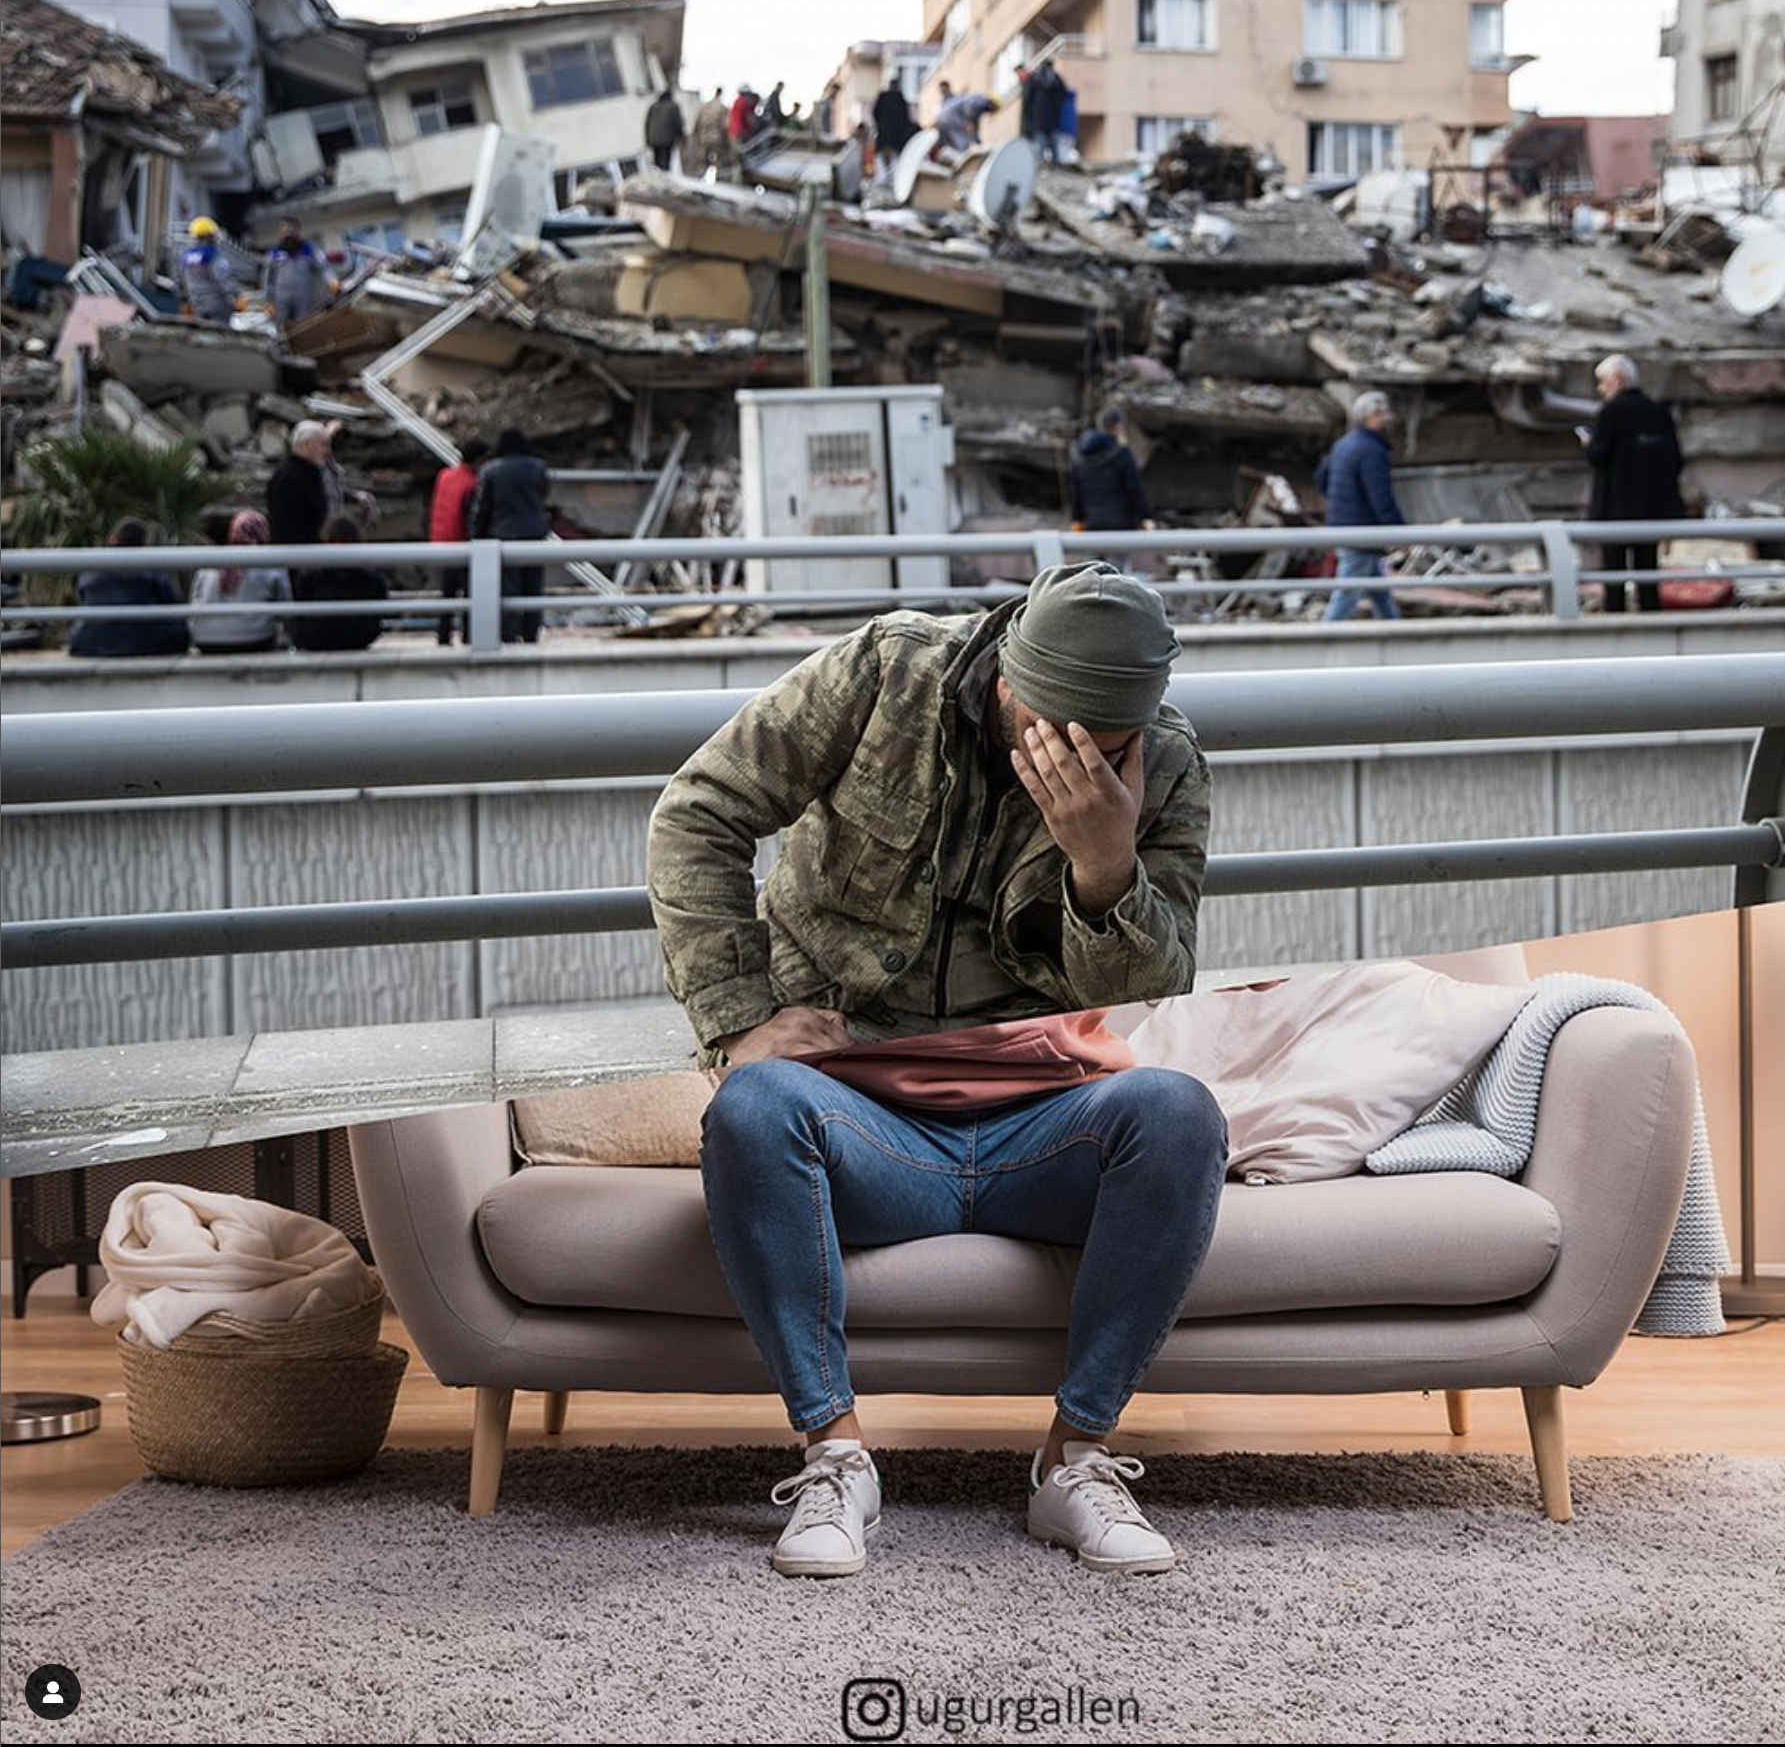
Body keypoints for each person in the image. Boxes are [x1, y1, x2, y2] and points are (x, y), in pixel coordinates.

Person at [648, 561, 1223, 1581]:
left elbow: (1162, 977)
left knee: (1177, 1111)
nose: (1075, 762)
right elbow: (698, 811)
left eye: (1107, 747)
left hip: (1039, 1121)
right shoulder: (884, 675)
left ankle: (1076, 1459)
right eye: (1051, 733)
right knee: (753, 1105)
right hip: (857, 1115)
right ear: (1006, 677)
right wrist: (738, 1022)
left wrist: (1102, 861)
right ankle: (836, 1458)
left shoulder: (1166, 760)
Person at [1581, 353, 1684, 614]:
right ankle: (1650, 615)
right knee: (1647, 567)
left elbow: (1599, 456)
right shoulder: (1659, 412)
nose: (1601, 389)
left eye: (1603, 382)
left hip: (1615, 510)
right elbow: (1675, 460)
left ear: (1617, 381)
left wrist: (1588, 444)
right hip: (1651, 507)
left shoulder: (1611, 412)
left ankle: (1616, 617)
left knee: (1614, 572)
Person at [1316, 390, 1406, 621]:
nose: (1388, 418)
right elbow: (1381, 497)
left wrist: (1341, 505)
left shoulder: (1343, 444)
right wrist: (1399, 531)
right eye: (1381, 413)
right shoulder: (1372, 450)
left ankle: (1395, 632)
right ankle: (1323, 640)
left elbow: (1321, 479)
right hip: (1361, 530)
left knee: (1378, 589)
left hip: (1342, 525)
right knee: (1347, 594)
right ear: (1369, 418)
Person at [469, 426, 552, 644]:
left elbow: (482, 508)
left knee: (508, 588)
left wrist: (477, 536)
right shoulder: (538, 467)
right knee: (533, 586)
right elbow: (543, 496)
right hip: (535, 535)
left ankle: (508, 633)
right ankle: (531, 632)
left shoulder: (490, 470)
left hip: (504, 536)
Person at [66, 518, 189, 658]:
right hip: (145, 641)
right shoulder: (150, 565)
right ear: (142, 543)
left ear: (113, 538)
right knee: (180, 630)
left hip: (88, 642)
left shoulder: (90, 566)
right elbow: (169, 601)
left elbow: (82, 597)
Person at [189, 509, 289, 655]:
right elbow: (285, 608)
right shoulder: (271, 562)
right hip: (254, 640)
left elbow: (194, 601)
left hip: (205, 640)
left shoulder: (209, 562)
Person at [290, 514, 389, 652]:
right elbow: (383, 603)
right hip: (359, 637)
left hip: (316, 637)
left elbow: (298, 605)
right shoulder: (371, 575)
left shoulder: (311, 574)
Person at [267, 421, 372, 548]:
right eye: (323, 444)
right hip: (301, 553)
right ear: (307, 445)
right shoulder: (291, 477)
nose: (326, 451)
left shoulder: (308, 472)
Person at [429, 436, 488, 646]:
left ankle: (443, 635)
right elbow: (469, 518)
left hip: (442, 542)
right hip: (461, 544)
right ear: (479, 460)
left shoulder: (444, 476)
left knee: (447, 593)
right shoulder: (471, 484)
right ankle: (469, 636)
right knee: (470, 594)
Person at [1068, 405, 1153, 534]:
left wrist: (1077, 519)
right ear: (1118, 426)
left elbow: (1076, 492)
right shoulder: (1122, 454)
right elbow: (1134, 488)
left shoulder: (1080, 456)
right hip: (1121, 524)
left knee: (1095, 554)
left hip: (1092, 524)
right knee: (1118, 554)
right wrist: (1145, 516)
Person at [263, 218, 332, 328]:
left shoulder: (310, 248)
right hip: (281, 298)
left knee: (304, 326)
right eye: (284, 231)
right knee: (282, 328)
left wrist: (332, 282)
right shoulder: (274, 252)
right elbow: (267, 279)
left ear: (298, 231)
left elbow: (324, 268)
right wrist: (268, 300)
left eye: (290, 231)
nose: (287, 234)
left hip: (304, 297)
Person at [176, 216, 234, 325]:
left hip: (196, 305)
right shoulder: (213, 254)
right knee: (220, 337)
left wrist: (184, 302)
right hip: (217, 305)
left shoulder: (185, 257)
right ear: (210, 235)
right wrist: (236, 296)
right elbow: (223, 278)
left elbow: (179, 283)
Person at [870, 73, 914, 184]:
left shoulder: (884, 97)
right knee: (894, 159)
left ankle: (884, 179)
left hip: (885, 134)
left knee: (883, 159)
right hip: (896, 136)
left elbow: (875, 113)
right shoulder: (900, 99)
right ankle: (891, 180)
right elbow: (906, 118)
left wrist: (879, 125)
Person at [1022, 59, 1066, 167]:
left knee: (1040, 139)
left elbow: (1027, 99)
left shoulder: (1034, 78)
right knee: (1052, 139)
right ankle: (1055, 161)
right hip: (1053, 116)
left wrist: (1028, 115)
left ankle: (1042, 162)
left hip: (1038, 116)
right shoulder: (1056, 78)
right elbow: (1063, 94)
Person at [688, 85, 738, 182]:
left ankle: (699, 182)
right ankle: (718, 182)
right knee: (719, 161)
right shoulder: (722, 108)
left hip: (703, 137)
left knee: (703, 161)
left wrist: (696, 136)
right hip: (717, 138)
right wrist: (727, 141)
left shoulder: (704, 106)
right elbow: (725, 125)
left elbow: (697, 122)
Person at [935, 88, 996, 157]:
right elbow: (970, 110)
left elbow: (975, 125)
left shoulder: (979, 101)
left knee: (958, 140)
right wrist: (968, 123)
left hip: (944, 117)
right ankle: (963, 156)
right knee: (964, 140)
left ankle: (956, 155)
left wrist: (978, 141)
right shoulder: (982, 103)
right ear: (992, 104)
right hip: (951, 116)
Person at [643, 82, 685, 173]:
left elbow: (647, 124)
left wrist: (647, 140)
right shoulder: (673, 106)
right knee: (665, 163)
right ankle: (664, 179)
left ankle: (659, 178)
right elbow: (677, 122)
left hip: (653, 139)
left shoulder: (653, 106)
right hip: (667, 139)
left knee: (658, 163)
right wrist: (681, 136)